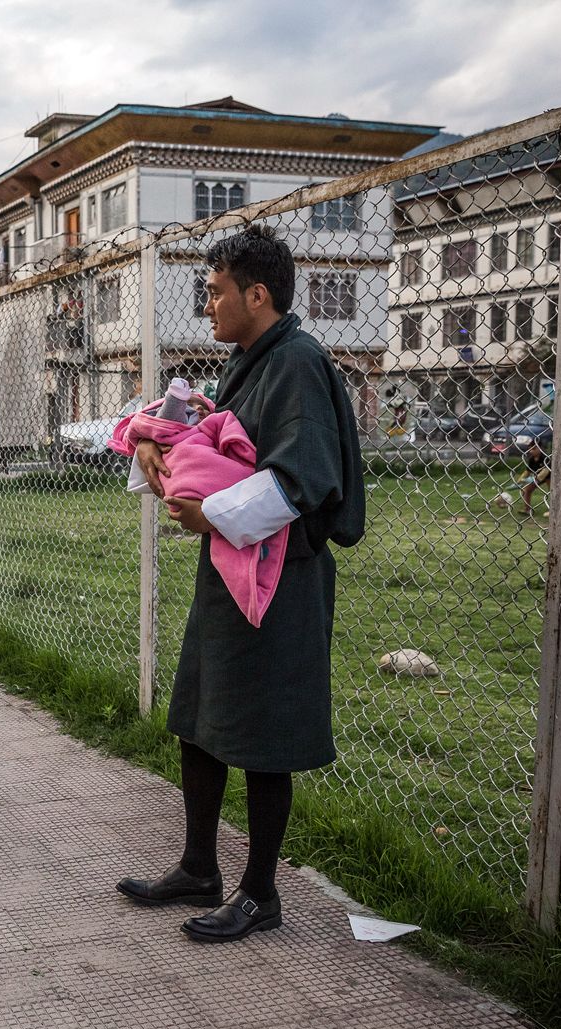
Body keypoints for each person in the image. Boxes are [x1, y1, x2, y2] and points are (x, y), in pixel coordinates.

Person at [117, 225, 364, 943]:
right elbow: (227, 445)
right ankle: (199, 864)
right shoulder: (247, 360)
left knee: (262, 732)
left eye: (218, 291)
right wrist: (161, 448)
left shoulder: (297, 364)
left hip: (281, 576)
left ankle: (260, 892)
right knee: (201, 716)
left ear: (258, 295)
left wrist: (206, 513)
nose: (210, 304)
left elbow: (300, 481)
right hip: (233, 566)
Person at [518, 438, 550, 515]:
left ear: (540, 448)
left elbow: (546, 471)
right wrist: (520, 479)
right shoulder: (532, 459)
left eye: (534, 449)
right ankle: (527, 509)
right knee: (527, 490)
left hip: (549, 476)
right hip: (537, 478)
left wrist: (535, 479)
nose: (531, 451)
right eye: (530, 449)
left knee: (552, 492)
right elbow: (528, 471)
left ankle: (552, 510)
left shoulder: (545, 458)